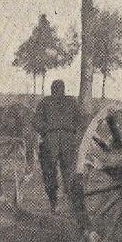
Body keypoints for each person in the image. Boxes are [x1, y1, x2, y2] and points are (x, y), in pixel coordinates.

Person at [34, 79, 83, 211]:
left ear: (52, 89)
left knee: (50, 173)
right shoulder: (71, 101)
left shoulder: (45, 102)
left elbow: (36, 122)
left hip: (51, 140)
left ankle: (53, 202)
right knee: (69, 173)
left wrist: (47, 130)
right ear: (63, 89)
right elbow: (80, 120)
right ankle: (70, 203)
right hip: (68, 140)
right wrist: (72, 131)